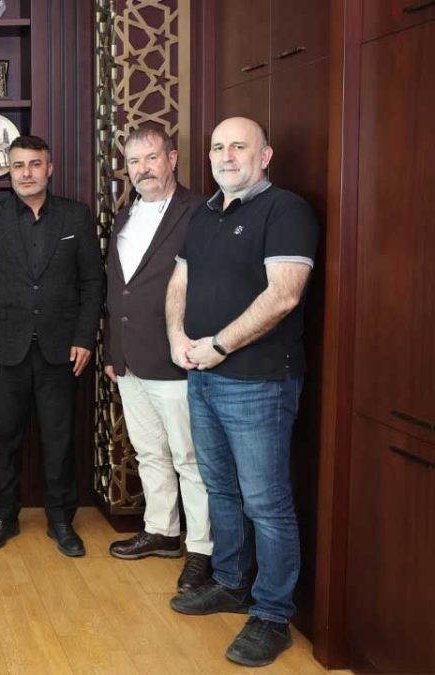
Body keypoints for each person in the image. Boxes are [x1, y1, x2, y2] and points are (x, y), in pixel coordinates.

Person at [166, 116, 317, 667]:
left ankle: (272, 615)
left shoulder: (286, 210)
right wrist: (178, 338)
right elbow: (180, 281)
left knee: (266, 503)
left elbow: (284, 295)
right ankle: (230, 582)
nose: (226, 156)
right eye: (217, 148)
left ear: (265, 155)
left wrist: (219, 346)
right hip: (203, 376)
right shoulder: (204, 214)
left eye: (239, 146)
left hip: (258, 382)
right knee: (221, 490)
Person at [0, 134, 104, 556]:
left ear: (50, 168)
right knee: (4, 438)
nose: (26, 173)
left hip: (61, 351)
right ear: (9, 172)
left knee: (59, 440)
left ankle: (61, 520)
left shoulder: (76, 217)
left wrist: (84, 337)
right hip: (4, 350)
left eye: (34, 164)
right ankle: (4, 517)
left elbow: (92, 282)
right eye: (18, 165)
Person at [103, 126, 213, 592]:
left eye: (151, 158)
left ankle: (202, 549)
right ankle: (163, 531)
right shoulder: (125, 215)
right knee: (149, 451)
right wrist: (112, 349)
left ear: (172, 158)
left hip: (175, 357)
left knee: (190, 458)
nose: (142, 169)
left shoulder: (200, 212)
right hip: (129, 358)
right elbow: (119, 288)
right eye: (134, 161)